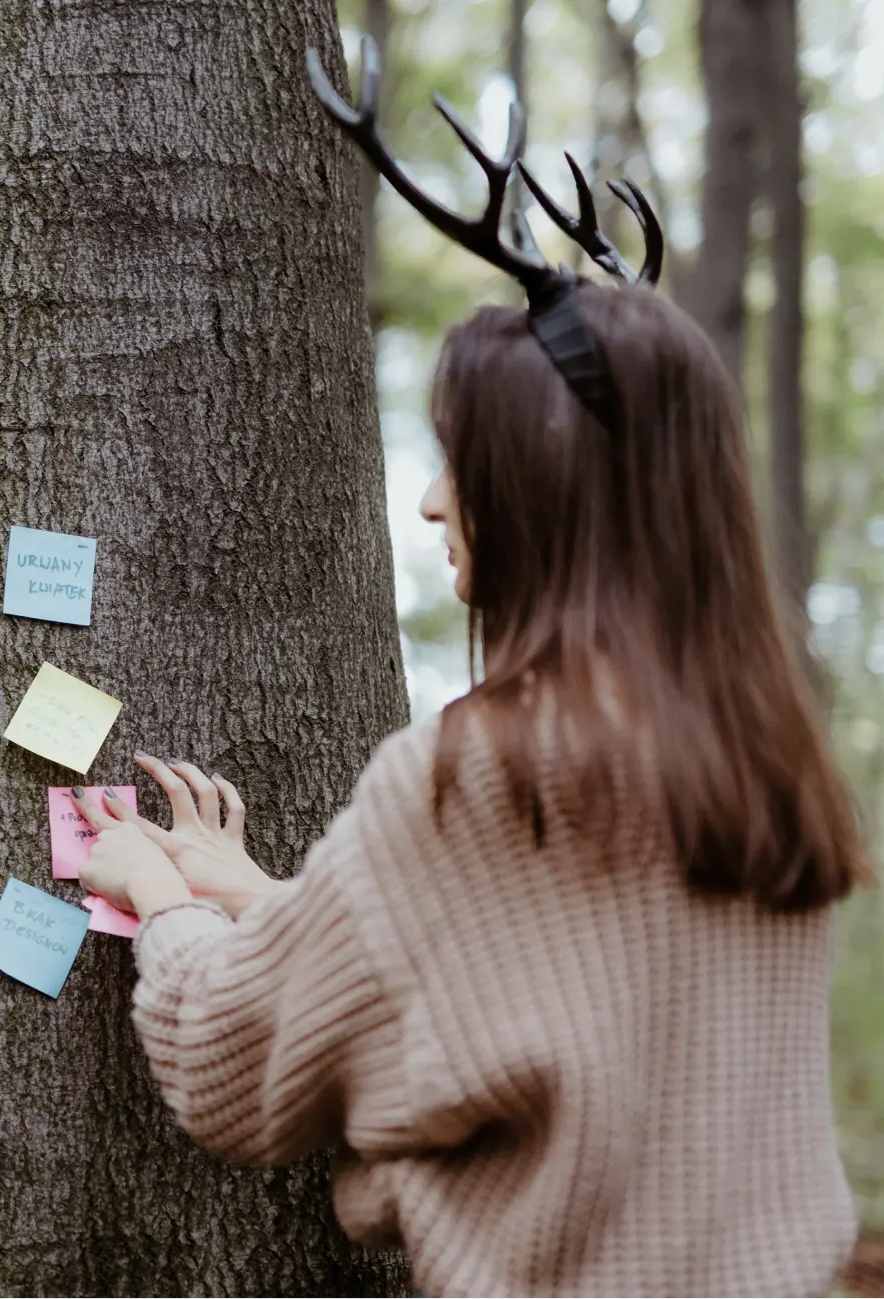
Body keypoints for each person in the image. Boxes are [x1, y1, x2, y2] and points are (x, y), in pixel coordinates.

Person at [71, 46, 871, 1299]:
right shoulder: (754, 760)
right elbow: (534, 1012)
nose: (438, 502)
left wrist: (161, 900)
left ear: (545, 493)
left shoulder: (481, 776)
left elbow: (234, 1071)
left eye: (462, 462)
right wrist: (269, 899)